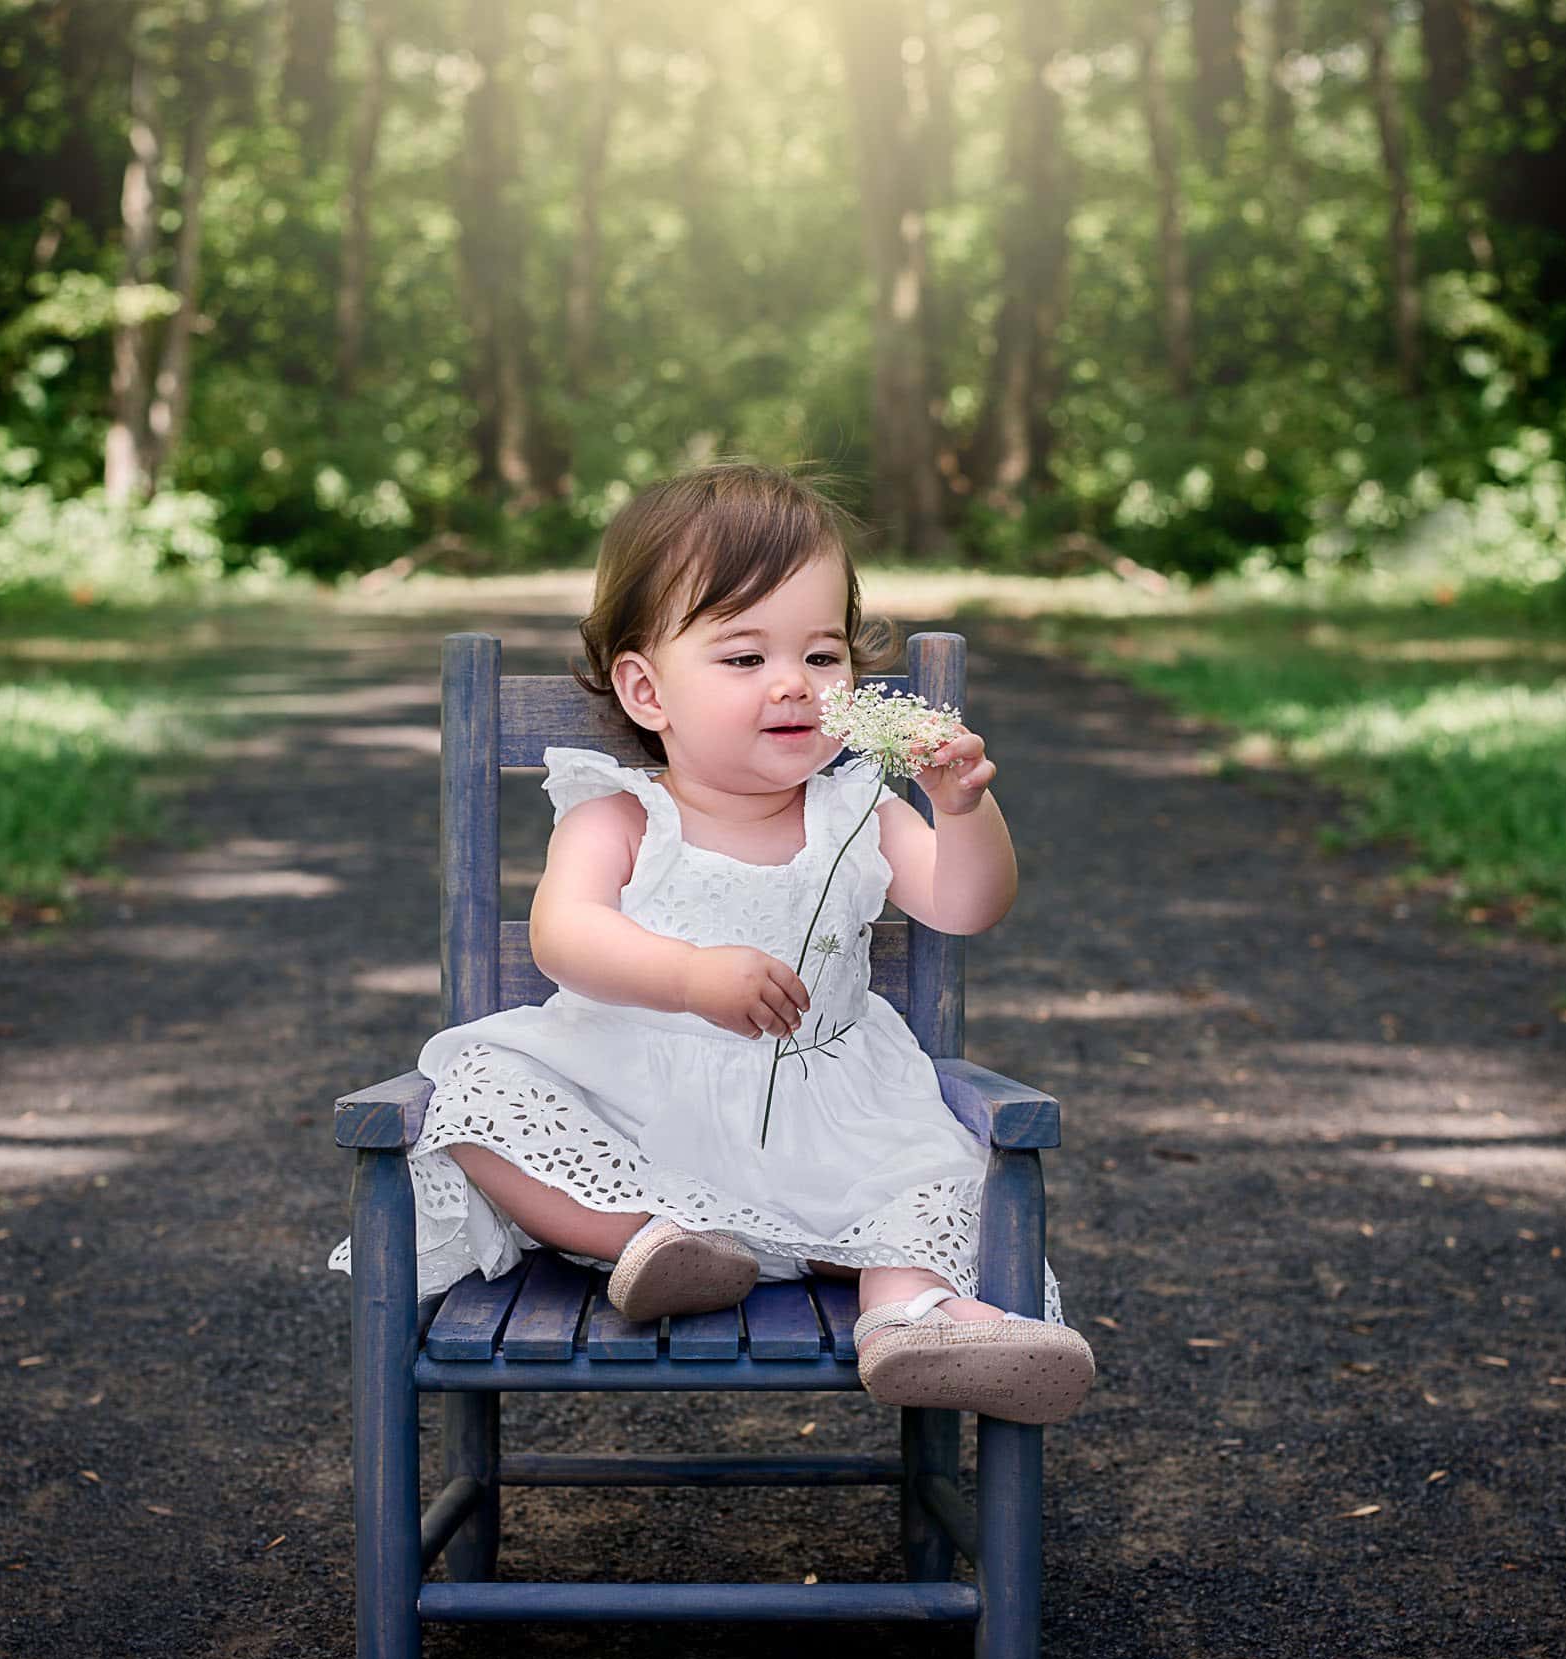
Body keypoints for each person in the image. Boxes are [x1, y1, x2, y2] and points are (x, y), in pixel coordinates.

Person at [328, 462, 1093, 1425]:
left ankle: (910, 1314)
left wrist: (962, 808)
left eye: (822, 657)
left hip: (829, 1118)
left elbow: (967, 903)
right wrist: (686, 975)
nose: (795, 687)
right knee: (475, 1094)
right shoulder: (618, 812)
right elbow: (566, 936)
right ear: (648, 689)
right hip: (639, 1106)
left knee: (941, 1172)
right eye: (744, 660)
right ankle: (645, 1239)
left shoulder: (861, 809)